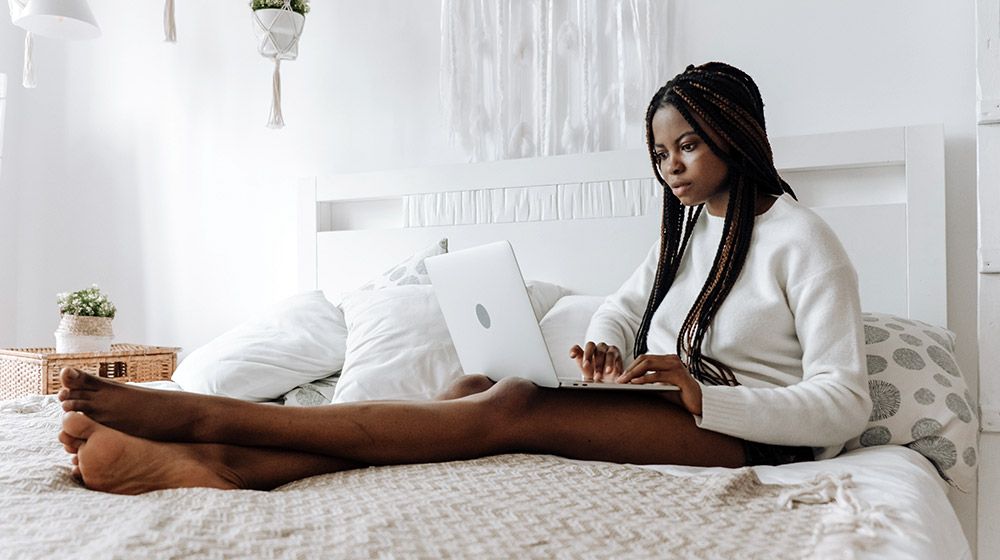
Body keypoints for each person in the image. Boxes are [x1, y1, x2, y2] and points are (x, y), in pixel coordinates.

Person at [57, 62, 872, 495]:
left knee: (512, 404)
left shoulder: (804, 240)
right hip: (673, 409)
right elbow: (626, 308)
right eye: (660, 154)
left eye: (687, 145)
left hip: (742, 438)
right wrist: (602, 341)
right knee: (478, 380)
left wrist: (704, 395)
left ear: (739, 131)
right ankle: (227, 466)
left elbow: (846, 402)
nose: (671, 168)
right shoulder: (691, 234)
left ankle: (207, 421)